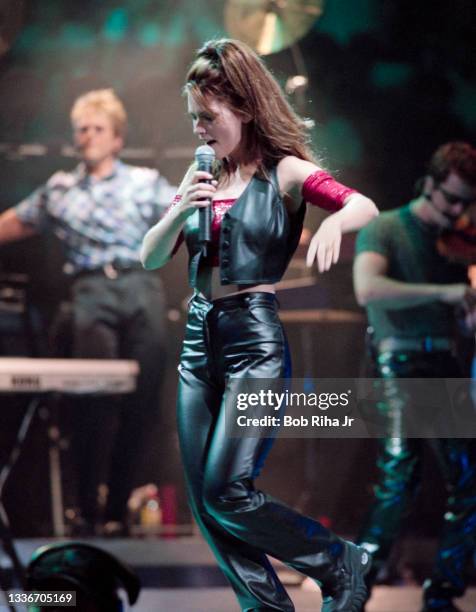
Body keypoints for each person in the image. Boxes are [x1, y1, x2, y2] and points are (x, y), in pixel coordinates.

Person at [141, 39, 378, 612]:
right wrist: (178, 208)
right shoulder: (199, 176)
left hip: (254, 340)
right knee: (204, 500)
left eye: (208, 117)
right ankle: (266, 608)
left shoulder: (285, 171)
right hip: (200, 341)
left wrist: (335, 225)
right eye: (193, 117)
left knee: (228, 490)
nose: (199, 128)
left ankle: (336, 560)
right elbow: (149, 256)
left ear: (243, 108)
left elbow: (360, 204)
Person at [0, 89, 176, 534]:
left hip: (140, 286)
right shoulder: (59, 189)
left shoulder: (145, 182)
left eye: (98, 128)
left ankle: (119, 506)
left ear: (117, 138)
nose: (88, 136)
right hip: (91, 290)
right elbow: (15, 223)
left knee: (143, 401)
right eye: (81, 129)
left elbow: (192, 216)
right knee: (93, 400)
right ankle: (88, 510)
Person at [353, 142, 476, 611]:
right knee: (400, 477)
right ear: (429, 184)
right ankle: (354, 584)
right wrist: (445, 293)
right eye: (451, 199)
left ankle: (442, 593)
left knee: (469, 478)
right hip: (398, 364)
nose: (458, 211)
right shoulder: (386, 227)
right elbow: (368, 288)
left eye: (467, 202)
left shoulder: (455, 245)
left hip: (443, 363)